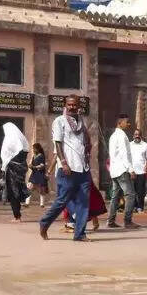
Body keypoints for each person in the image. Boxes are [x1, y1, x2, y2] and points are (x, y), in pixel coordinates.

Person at [38, 95, 93, 242]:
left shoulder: (81, 121)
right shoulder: (59, 121)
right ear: (65, 105)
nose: (72, 107)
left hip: (83, 168)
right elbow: (58, 143)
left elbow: (85, 143)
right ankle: (44, 223)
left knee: (84, 201)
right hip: (67, 168)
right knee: (62, 200)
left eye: (74, 105)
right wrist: (63, 162)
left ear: (78, 105)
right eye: (69, 105)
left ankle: (79, 233)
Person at [105, 114, 137, 229]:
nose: (128, 124)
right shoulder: (121, 136)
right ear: (120, 122)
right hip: (122, 169)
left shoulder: (113, 136)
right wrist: (131, 169)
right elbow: (124, 154)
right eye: (126, 122)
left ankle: (110, 221)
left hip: (114, 170)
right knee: (130, 195)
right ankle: (127, 221)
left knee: (115, 196)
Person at [0, 122, 30, 222]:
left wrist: (3, 169)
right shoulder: (22, 140)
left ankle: (17, 216)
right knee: (18, 190)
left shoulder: (9, 139)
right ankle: (17, 214)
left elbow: (6, 155)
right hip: (21, 169)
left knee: (13, 192)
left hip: (12, 170)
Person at [128, 130, 147, 213]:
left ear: (141, 135)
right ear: (133, 136)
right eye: (135, 134)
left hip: (141, 172)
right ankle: (133, 206)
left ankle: (140, 207)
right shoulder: (129, 145)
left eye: (139, 134)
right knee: (132, 191)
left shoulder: (145, 145)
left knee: (140, 191)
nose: (137, 136)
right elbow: (127, 157)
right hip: (132, 171)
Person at [25, 142, 49, 208]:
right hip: (34, 174)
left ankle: (42, 204)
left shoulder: (41, 156)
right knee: (29, 187)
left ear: (37, 149)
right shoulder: (33, 156)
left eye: (34, 148)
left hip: (40, 174)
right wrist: (30, 166)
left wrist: (35, 167)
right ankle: (27, 203)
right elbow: (31, 164)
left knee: (41, 189)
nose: (33, 150)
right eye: (33, 148)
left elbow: (42, 165)